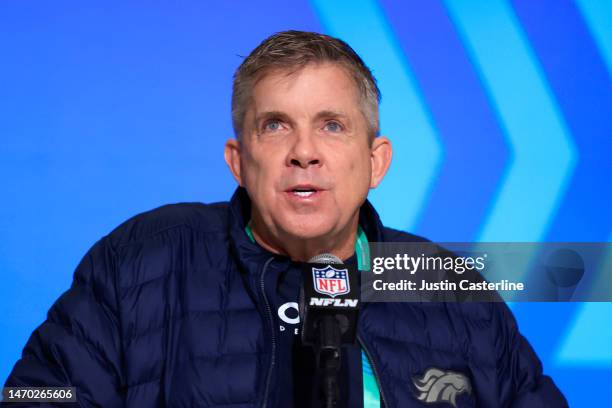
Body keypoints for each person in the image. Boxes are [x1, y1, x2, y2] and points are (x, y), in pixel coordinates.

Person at [4, 30, 566, 407]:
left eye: (332, 125)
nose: (304, 151)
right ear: (238, 162)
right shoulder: (143, 261)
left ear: (376, 163)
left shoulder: (448, 288)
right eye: (275, 125)